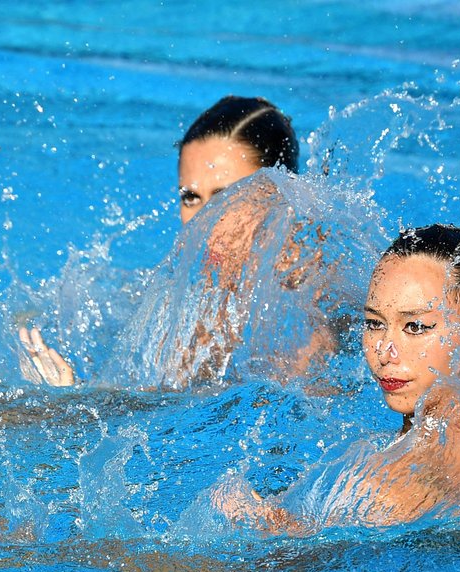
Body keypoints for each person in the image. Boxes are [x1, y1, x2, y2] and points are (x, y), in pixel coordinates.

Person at [214, 224, 460, 534]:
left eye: (416, 327)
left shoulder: (394, 479)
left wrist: (258, 521)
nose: (384, 351)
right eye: (374, 323)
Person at [21, 96, 300, 387]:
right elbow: (170, 400)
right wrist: (69, 397)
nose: (202, 222)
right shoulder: (212, 301)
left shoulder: (309, 294)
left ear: (279, 194)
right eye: (191, 198)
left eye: (225, 196)